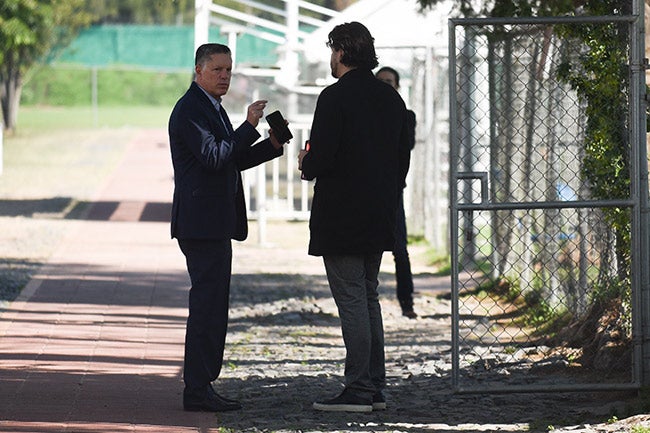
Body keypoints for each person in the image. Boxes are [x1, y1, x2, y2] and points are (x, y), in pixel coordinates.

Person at [298, 22, 410, 413]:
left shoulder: (334, 97)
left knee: (351, 299)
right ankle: (375, 385)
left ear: (342, 52)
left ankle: (359, 387)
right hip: (379, 212)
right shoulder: (390, 99)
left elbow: (322, 157)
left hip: (342, 215)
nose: (331, 59)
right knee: (368, 295)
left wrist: (305, 162)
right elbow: (401, 159)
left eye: (332, 51)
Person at [168, 43, 287, 412]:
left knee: (214, 305)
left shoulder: (212, 108)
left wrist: (269, 145)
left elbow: (230, 159)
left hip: (214, 222)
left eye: (229, 70)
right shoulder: (191, 109)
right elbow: (215, 156)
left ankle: (204, 384)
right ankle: (198, 389)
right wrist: (248, 126)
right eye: (218, 69)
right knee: (207, 306)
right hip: (201, 224)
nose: (224, 76)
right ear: (198, 70)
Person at [375, 66, 418, 319]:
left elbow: (406, 145)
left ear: (398, 86)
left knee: (399, 248)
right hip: (370, 190)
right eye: (381, 82)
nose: (385, 86)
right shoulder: (367, 115)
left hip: (392, 191)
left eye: (390, 82)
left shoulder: (405, 116)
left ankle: (407, 300)